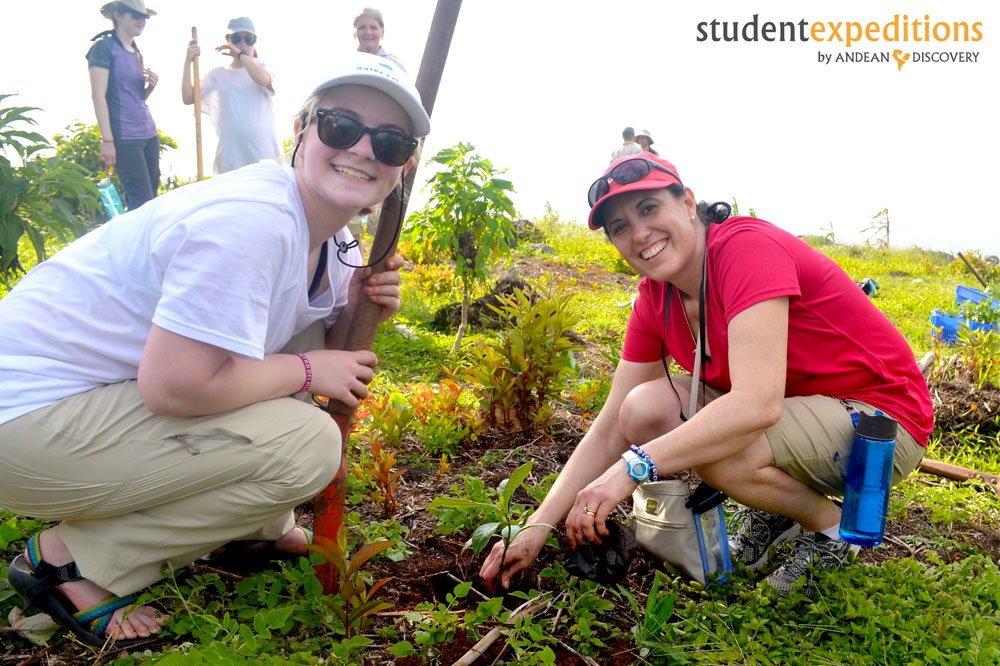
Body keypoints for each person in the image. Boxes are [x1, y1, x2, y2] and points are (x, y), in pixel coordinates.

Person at [1, 51, 429, 646]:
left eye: (388, 141)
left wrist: (357, 307)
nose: (361, 149)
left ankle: (255, 525)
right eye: (340, 126)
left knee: (300, 352)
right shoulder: (253, 221)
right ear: (301, 131)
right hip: (25, 426)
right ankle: (70, 561)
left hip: (83, 407)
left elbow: (318, 350)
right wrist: (308, 370)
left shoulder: (336, 243)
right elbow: (175, 388)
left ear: (403, 165)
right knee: (308, 444)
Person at [480, 152, 933, 595]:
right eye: (620, 227)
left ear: (687, 202)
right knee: (642, 409)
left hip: (880, 424)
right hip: (798, 415)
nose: (640, 233)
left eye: (648, 208)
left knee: (721, 451)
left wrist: (629, 470)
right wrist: (537, 526)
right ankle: (778, 509)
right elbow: (610, 426)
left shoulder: (744, 250)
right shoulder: (656, 297)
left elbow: (756, 405)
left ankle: (832, 530)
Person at [182, 17, 280, 174]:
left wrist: (241, 55)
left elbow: (263, 80)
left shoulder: (263, 66)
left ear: (254, 41)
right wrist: (188, 61)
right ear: (228, 40)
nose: (243, 44)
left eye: (248, 39)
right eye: (236, 39)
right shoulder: (217, 74)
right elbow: (188, 98)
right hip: (231, 157)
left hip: (264, 154)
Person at [87, 0, 160, 210]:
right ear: (117, 15)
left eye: (144, 17)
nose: (141, 21)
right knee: (141, 204)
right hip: (125, 137)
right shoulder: (103, 48)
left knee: (152, 200)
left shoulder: (136, 51)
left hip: (149, 133)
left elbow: (135, 98)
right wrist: (107, 140)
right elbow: (98, 96)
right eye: (135, 15)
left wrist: (150, 87)